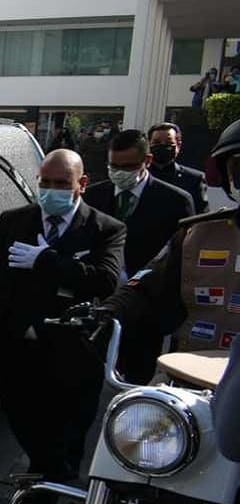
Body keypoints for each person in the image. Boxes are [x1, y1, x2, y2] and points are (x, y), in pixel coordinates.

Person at [0, 149, 126, 504]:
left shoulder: (105, 228)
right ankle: (39, 493)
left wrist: (47, 260)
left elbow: (104, 281)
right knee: (36, 439)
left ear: (82, 184)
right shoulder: (15, 221)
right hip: (19, 351)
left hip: (74, 357)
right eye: (45, 182)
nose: (51, 191)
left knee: (62, 447)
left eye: (61, 184)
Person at [102, 119, 240, 367]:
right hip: (194, 371)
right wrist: (106, 311)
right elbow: (148, 281)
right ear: (226, 174)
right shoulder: (198, 234)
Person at [83, 129, 194, 383]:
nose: (120, 172)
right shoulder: (94, 197)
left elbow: (179, 259)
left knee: (135, 381)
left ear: (147, 161)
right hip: (100, 305)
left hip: (146, 311)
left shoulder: (175, 201)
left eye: (128, 166)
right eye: (114, 166)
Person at [148, 122, 209, 214]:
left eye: (168, 143)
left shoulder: (194, 179)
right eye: (157, 142)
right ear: (149, 144)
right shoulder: (139, 176)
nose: (162, 146)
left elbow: (202, 215)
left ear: (178, 145)